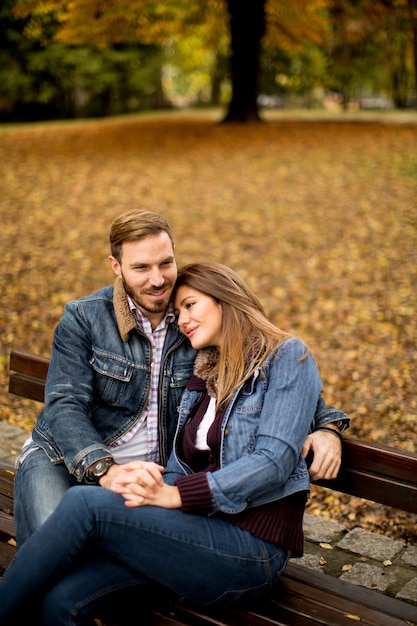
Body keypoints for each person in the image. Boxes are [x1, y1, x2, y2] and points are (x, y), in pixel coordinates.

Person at [1, 262, 347, 626]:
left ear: (225, 299)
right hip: (190, 536)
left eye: (190, 305)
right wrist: (152, 492)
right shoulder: (202, 374)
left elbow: (274, 460)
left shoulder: (287, 356)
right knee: (60, 601)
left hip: (249, 550)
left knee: (86, 503)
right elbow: (181, 465)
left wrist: (177, 496)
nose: (182, 319)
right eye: (177, 311)